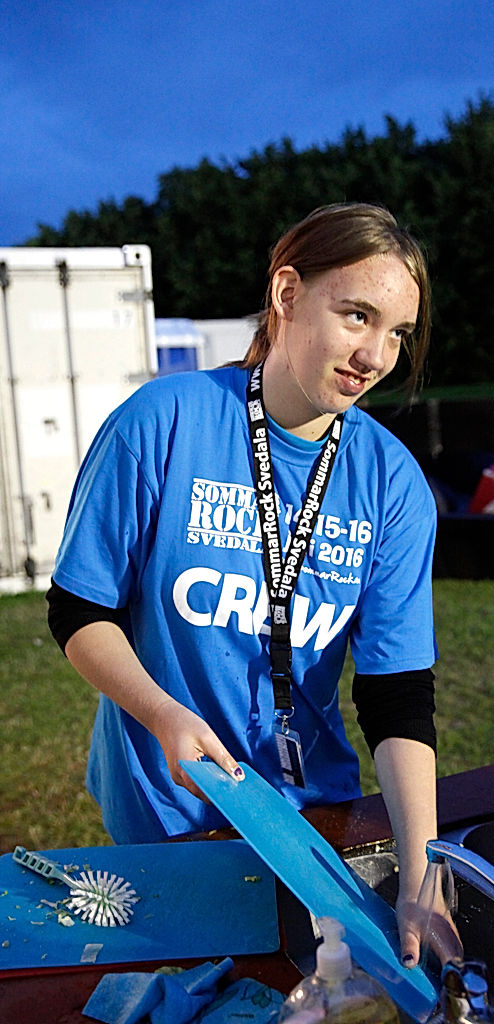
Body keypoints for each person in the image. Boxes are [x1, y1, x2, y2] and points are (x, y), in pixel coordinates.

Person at [47, 202, 444, 968]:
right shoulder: (162, 422)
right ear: (287, 294)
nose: (374, 355)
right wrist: (163, 715)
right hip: (169, 805)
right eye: (356, 315)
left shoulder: (390, 482)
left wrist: (422, 866)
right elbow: (79, 611)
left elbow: (398, 694)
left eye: (396, 333)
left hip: (313, 814)